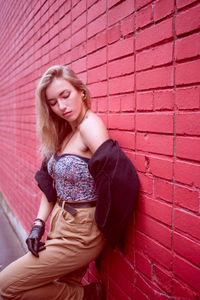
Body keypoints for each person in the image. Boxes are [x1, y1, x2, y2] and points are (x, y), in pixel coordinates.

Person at [0, 65, 139, 300]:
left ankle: (87, 295)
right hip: (60, 224)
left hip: (82, 232)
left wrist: (105, 227)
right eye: (53, 103)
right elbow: (49, 186)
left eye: (65, 95)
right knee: (50, 289)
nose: (62, 107)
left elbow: (117, 178)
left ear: (81, 91)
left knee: (6, 285)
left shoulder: (89, 126)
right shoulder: (64, 132)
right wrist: (37, 225)